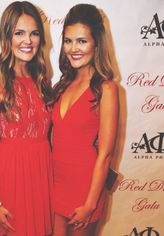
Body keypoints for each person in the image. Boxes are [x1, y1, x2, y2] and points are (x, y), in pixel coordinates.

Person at [0, 1, 53, 236]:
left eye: (34, 33)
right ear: (6, 37)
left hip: (41, 176)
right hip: (11, 179)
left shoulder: (43, 82)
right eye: (19, 33)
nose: (27, 41)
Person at [51, 4, 119, 236]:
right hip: (56, 185)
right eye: (68, 41)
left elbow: (106, 154)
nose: (73, 48)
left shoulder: (106, 89)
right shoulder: (60, 86)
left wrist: (90, 204)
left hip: (86, 189)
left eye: (82, 41)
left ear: (96, 43)